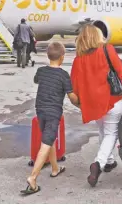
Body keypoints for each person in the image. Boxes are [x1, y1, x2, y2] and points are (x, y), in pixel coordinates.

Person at [70, 24, 122, 187]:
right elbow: (120, 69)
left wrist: (80, 103)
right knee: (110, 133)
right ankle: (98, 163)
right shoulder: (106, 49)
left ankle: (109, 161)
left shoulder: (78, 59)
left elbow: (74, 84)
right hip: (111, 100)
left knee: (103, 130)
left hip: (93, 104)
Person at [21, 42, 80, 195]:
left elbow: (36, 80)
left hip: (40, 110)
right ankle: (33, 178)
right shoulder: (63, 75)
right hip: (53, 113)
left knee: (50, 138)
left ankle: (55, 168)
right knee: (46, 142)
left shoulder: (41, 71)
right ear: (62, 57)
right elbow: (72, 97)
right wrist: (81, 103)